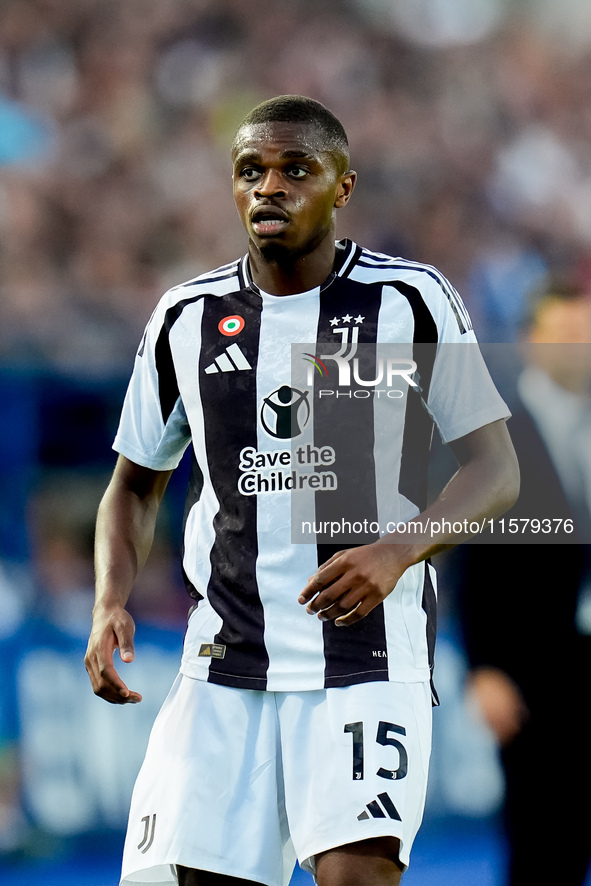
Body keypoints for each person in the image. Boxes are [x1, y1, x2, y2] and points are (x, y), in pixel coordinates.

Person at [85, 95, 519, 886]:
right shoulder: (186, 316)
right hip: (225, 658)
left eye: (295, 170)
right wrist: (110, 598)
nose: (268, 188)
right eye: (250, 172)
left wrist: (399, 549)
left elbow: (495, 468)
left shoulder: (409, 299)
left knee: (355, 878)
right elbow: (133, 486)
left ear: (341, 187)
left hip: (364, 653)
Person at [457, 280, 591, 886]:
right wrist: (482, 668)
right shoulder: (495, 432)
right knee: (543, 846)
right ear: (534, 342)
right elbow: (472, 557)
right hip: (536, 676)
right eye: (565, 334)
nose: (579, 347)